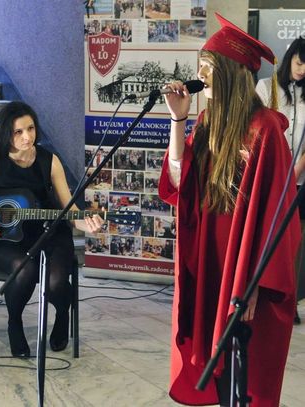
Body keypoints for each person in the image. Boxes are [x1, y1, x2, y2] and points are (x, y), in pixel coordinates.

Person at [158, 14, 301, 407]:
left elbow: (278, 217)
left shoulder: (265, 129)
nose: (200, 75)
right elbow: (180, 182)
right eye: (200, 66)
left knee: (242, 365)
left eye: (209, 66)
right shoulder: (207, 121)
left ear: (232, 73)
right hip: (211, 255)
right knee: (213, 352)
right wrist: (177, 119)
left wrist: (255, 282)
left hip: (244, 263)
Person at [0, 101, 103, 357]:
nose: (27, 137)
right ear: (6, 133)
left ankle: (62, 314)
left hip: (49, 232)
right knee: (24, 269)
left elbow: (70, 210)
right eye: (18, 132)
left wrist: (85, 222)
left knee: (56, 283)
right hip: (6, 237)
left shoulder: (49, 161)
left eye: (30, 129)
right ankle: (15, 322)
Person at [256, 37, 305, 325]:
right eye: (299, 63)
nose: (302, 70)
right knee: (266, 235)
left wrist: (297, 168)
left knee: (295, 241)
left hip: (299, 180)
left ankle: (291, 300)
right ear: (289, 60)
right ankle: (260, 292)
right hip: (270, 177)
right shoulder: (267, 88)